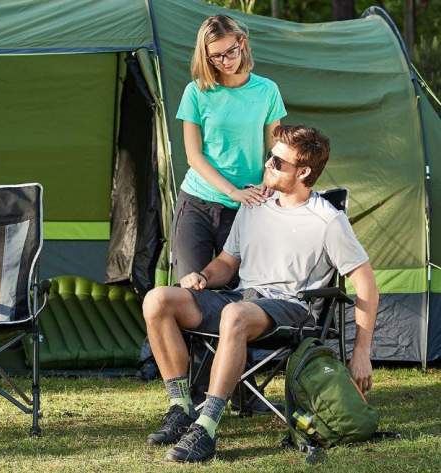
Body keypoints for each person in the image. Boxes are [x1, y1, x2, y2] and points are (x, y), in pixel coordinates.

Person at [143, 125, 379, 463]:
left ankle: (206, 426)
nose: (268, 164)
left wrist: (361, 351)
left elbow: (366, 283)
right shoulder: (254, 204)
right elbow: (226, 263)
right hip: (241, 297)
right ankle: (181, 407)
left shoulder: (328, 220)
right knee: (158, 300)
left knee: (234, 315)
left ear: (304, 172)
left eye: (279, 162)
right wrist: (203, 277)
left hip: (290, 308)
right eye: (270, 157)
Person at [173, 14, 287, 282]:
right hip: (197, 203)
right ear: (206, 56)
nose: (225, 61)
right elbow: (194, 156)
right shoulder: (196, 92)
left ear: (242, 43)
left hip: (246, 207)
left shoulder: (267, 91)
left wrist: (267, 186)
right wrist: (232, 191)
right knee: (191, 289)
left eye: (230, 51)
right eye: (216, 56)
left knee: (237, 293)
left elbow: (276, 150)